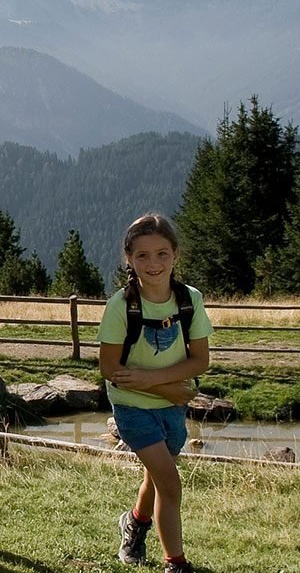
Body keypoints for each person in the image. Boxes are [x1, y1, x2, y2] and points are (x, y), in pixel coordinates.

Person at [97, 213, 212, 571]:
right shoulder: (121, 306)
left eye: (162, 254)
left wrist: (155, 384)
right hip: (132, 406)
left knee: (155, 478)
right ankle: (175, 563)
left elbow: (201, 360)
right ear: (129, 259)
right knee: (169, 482)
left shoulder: (189, 301)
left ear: (176, 255)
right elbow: (110, 369)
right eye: (143, 255)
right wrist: (161, 386)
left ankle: (134, 524)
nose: (154, 263)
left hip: (172, 407)